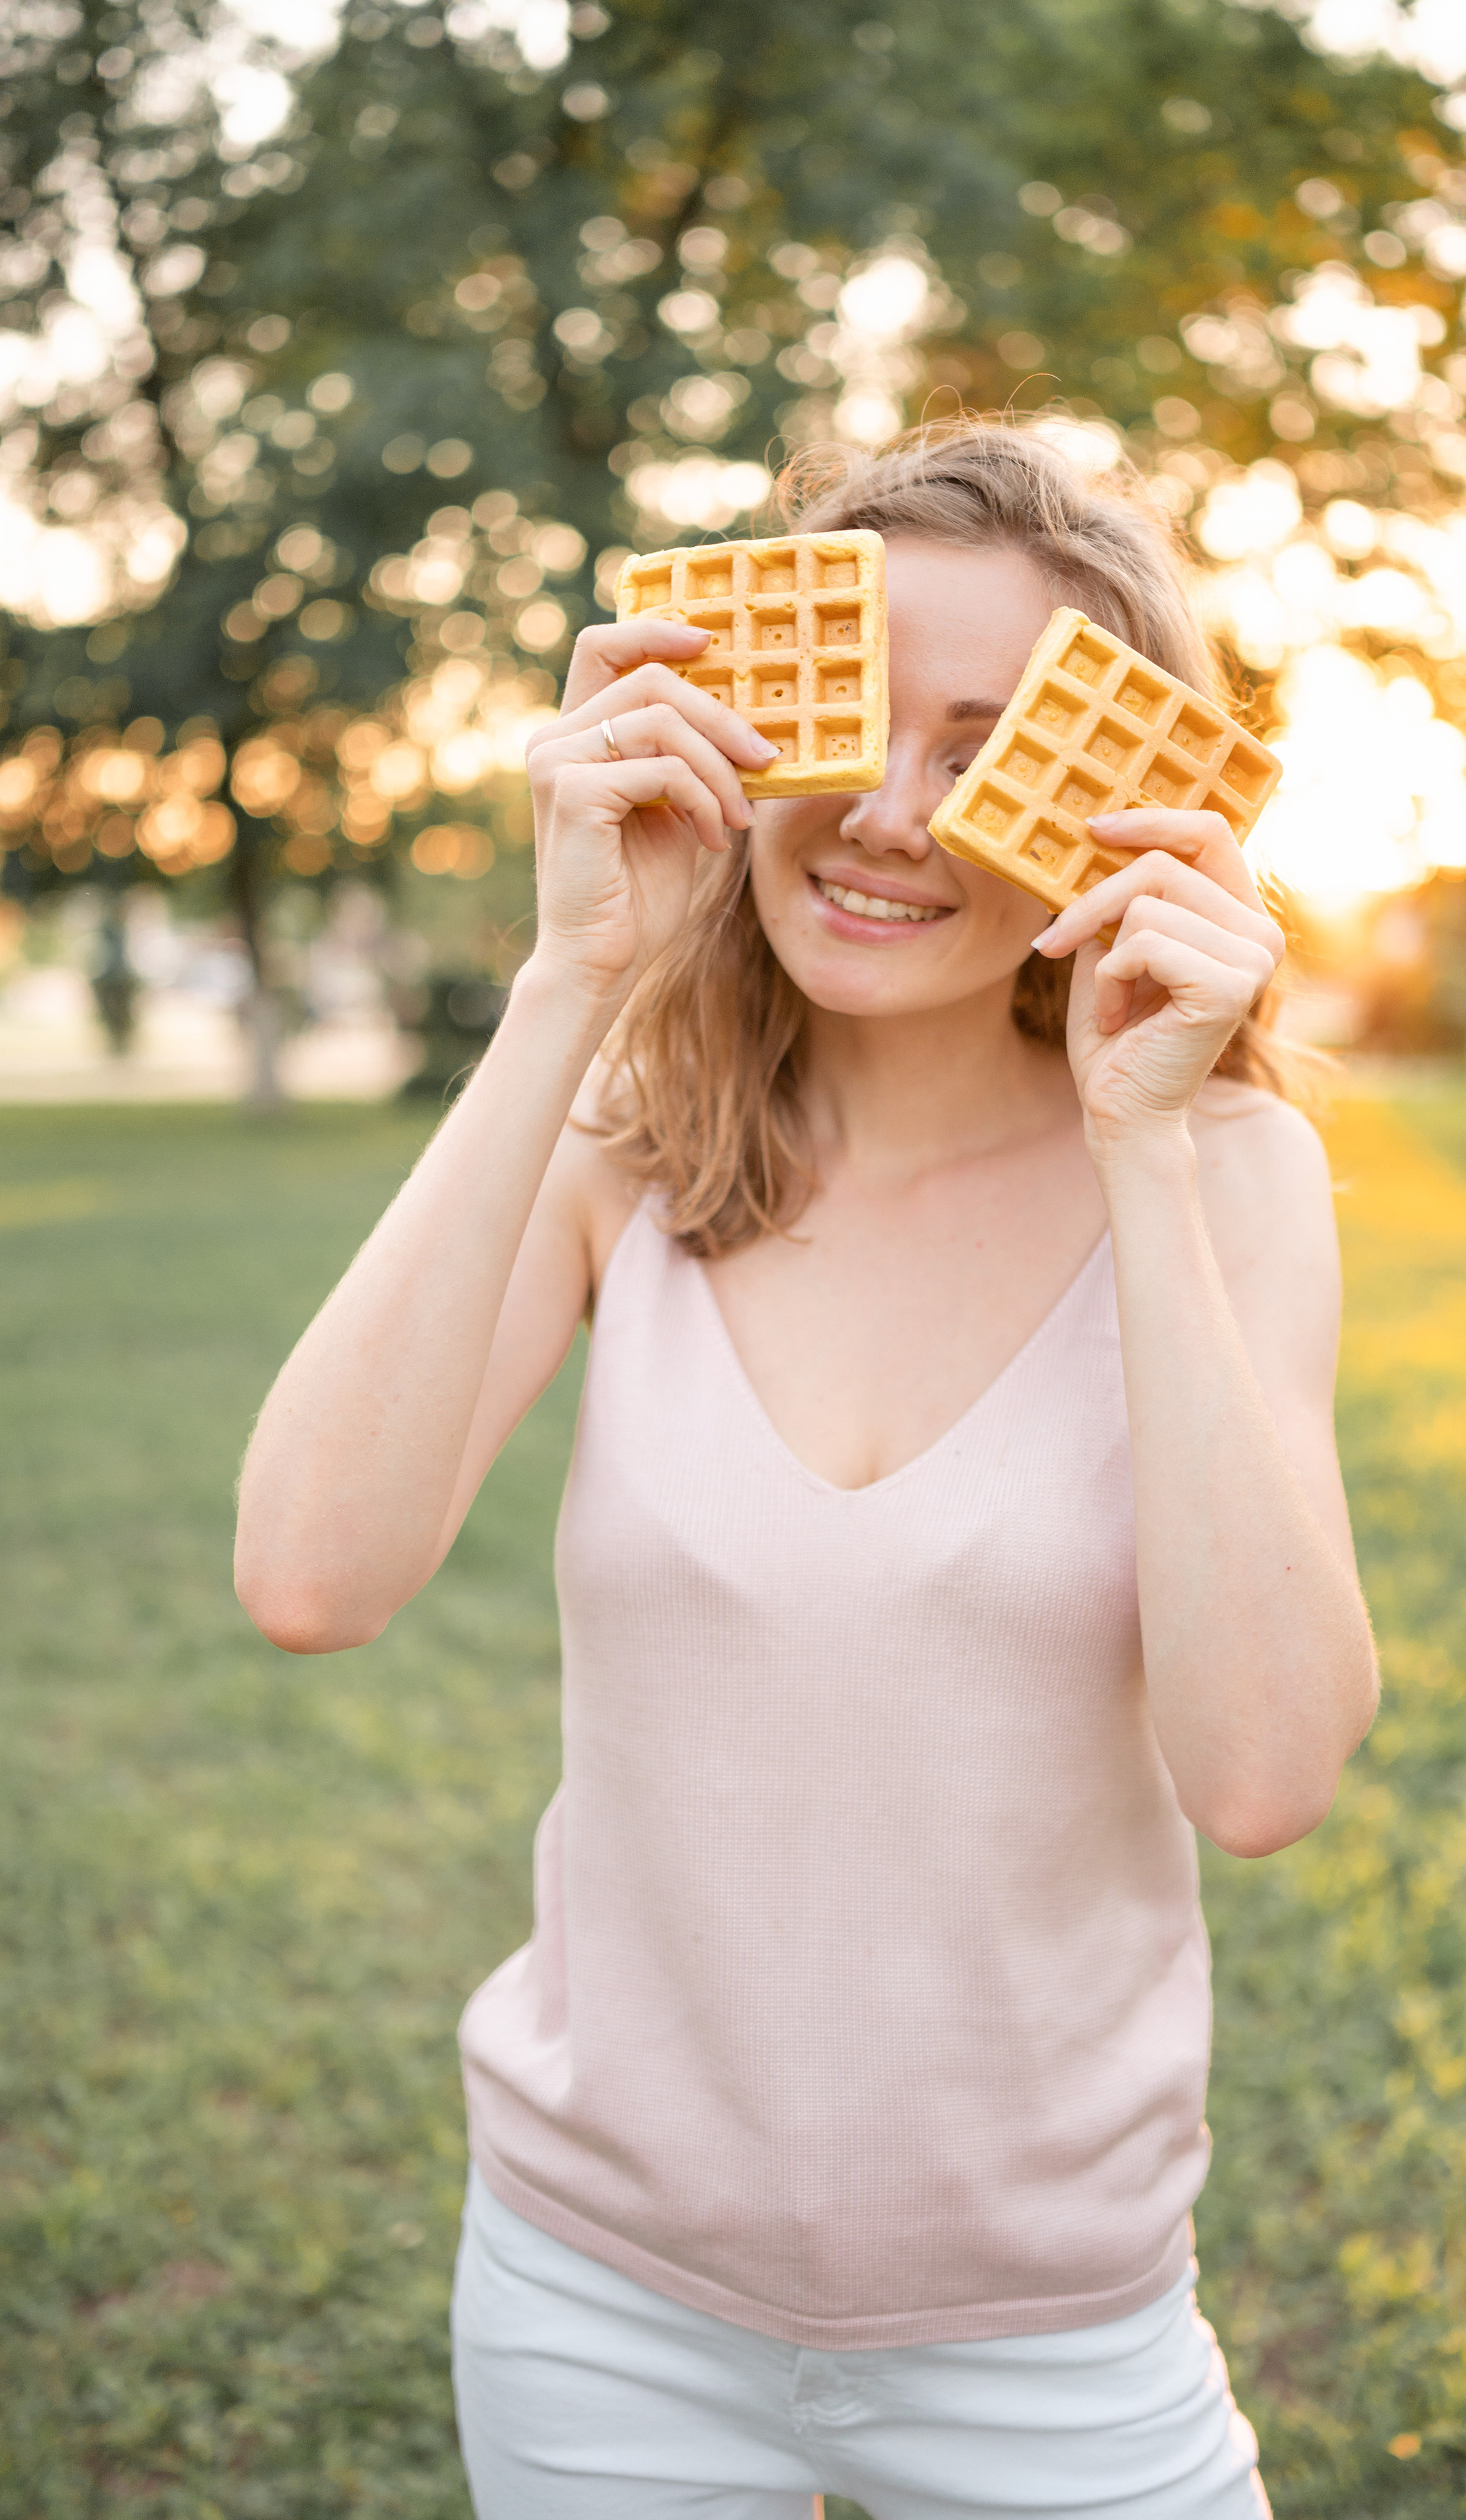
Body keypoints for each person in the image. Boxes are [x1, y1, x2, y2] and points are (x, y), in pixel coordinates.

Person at [235, 418, 1378, 2520]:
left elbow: (1266, 1775)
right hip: (598, 2295)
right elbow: (311, 1573)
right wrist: (573, 981)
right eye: (858, 721)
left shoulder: (1226, 1174)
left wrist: (1142, 1132)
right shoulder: (629, 1144)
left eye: (991, 745)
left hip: (1053, 2336)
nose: (894, 816)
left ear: (1106, 796)